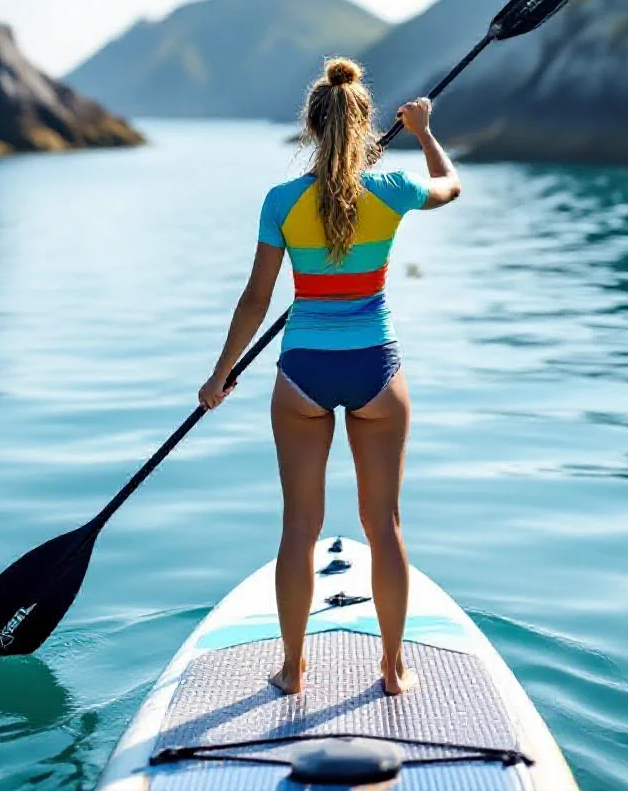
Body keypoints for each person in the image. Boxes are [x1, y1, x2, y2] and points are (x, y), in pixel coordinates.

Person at [198, 57, 461, 695]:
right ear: (366, 124)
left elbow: (255, 300)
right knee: (384, 526)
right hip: (376, 366)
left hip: (303, 375)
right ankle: (394, 670)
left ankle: (292, 670)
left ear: (312, 129)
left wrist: (221, 375)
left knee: (299, 528)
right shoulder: (392, 189)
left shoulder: (282, 202)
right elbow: (450, 185)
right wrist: (424, 132)